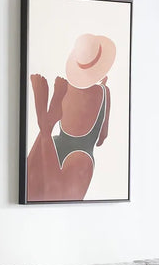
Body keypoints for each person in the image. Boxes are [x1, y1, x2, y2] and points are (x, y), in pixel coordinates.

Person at [25, 33, 115, 201]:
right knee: (58, 196)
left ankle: (46, 124)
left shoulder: (66, 87)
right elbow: (102, 137)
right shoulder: (104, 92)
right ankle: (45, 124)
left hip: (55, 144)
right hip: (81, 153)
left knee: (31, 187)